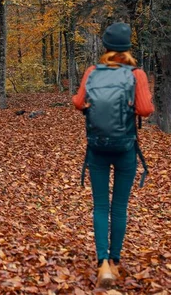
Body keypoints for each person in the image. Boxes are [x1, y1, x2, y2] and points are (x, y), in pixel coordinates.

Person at [72, 22, 154, 288]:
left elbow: (77, 102)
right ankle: (115, 263)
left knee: (100, 206)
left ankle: (102, 263)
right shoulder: (136, 74)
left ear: (105, 47)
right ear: (128, 47)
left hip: (96, 147)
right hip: (125, 148)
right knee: (119, 206)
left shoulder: (92, 72)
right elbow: (145, 110)